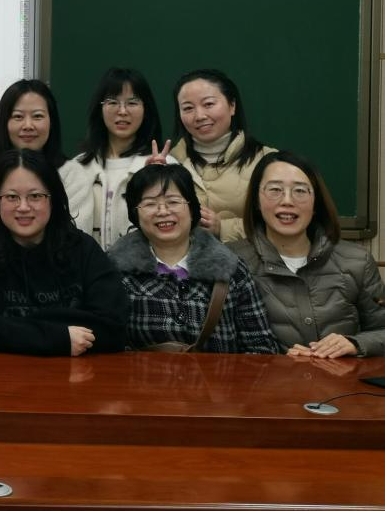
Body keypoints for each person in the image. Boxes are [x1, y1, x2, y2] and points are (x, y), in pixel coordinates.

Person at [0, 148, 127, 356]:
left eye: (35, 196)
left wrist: (9, 328)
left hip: (77, 373)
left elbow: (114, 326)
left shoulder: (82, 249)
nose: (23, 207)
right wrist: (56, 336)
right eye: (11, 197)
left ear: (53, 199)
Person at [108, 163, 279, 353]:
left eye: (173, 201)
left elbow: (262, 349)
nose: (163, 211)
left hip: (219, 373)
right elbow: (108, 348)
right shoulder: (114, 272)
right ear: (135, 214)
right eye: (149, 204)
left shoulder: (231, 269)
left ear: (192, 209)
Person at [231, 151, 385, 357]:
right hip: (265, 377)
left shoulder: (357, 260)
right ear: (256, 201)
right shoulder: (231, 262)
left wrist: (355, 343)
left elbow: (382, 330)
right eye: (275, 189)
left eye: (300, 191)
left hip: (342, 377)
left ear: (316, 203)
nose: (287, 200)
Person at [0, 79, 92, 230]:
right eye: (18, 117)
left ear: (51, 122)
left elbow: (75, 236)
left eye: (37, 116)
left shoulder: (72, 175)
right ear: (4, 122)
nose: (28, 126)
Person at [70, 68, 174, 247]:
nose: (123, 111)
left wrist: (159, 179)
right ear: (100, 108)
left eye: (132, 103)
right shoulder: (76, 167)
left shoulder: (166, 165)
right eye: (112, 102)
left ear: (146, 109)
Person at [170, 68, 275, 243]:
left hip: (250, 259)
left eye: (208, 104)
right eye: (188, 108)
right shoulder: (169, 162)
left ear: (232, 106)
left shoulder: (268, 161)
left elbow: (284, 222)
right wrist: (151, 179)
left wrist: (224, 229)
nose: (199, 116)